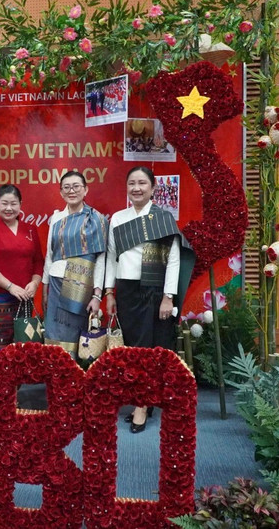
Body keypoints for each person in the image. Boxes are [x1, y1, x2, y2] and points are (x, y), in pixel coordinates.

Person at [104, 166, 194, 433]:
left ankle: (141, 404)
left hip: (153, 290)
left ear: (153, 188)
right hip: (127, 290)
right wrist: (109, 292)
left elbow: (175, 260)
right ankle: (143, 398)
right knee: (132, 348)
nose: (136, 188)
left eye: (142, 183)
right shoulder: (118, 219)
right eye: (132, 183)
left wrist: (168, 297)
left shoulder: (163, 218)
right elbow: (111, 257)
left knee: (148, 349)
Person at [0, 185, 44, 362]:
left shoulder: (30, 229)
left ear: (21, 204)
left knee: (22, 349)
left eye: (13, 203)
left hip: (24, 298)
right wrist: (10, 287)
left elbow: (38, 261)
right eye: (4, 203)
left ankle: (15, 390)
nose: (9, 208)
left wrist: (35, 283)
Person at [42, 171, 108, 357]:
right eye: (66, 187)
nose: (72, 191)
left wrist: (97, 295)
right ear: (61, 192)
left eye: (76, 186)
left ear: (85, 189)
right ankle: (57, 379)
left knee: (78, 336)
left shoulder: (97, 220)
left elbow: (101, 260)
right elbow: (50, 254)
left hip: (82, 287)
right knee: (54, 336)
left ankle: (75, 380)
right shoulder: (56, 219)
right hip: (56, 284)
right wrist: (45, 287)